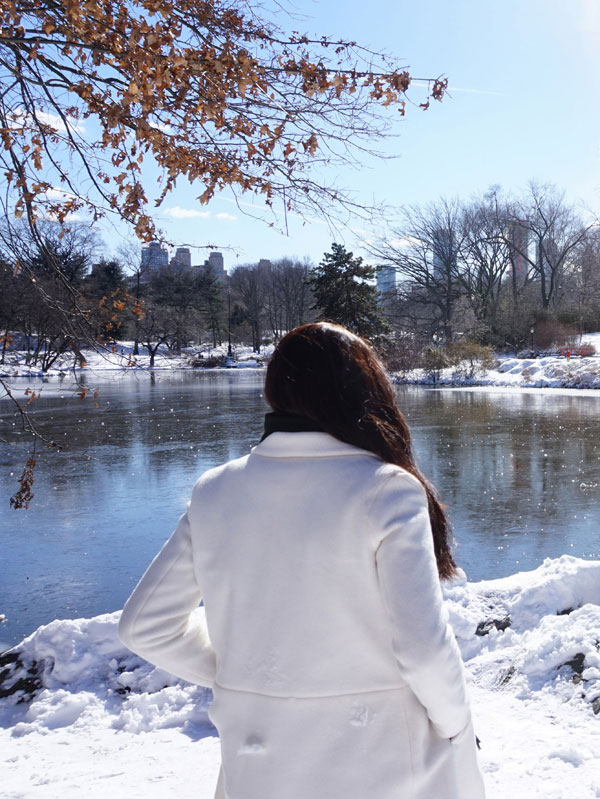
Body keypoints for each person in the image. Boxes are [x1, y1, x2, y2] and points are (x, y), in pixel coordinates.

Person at [119, 322, 485, 799]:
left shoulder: (216, 491)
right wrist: (457, 725)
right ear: (365, 391)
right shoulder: (386, 489)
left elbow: (144, 626)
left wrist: (249, 678)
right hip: (382, 762)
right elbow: (421, 650)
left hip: (262, 763)